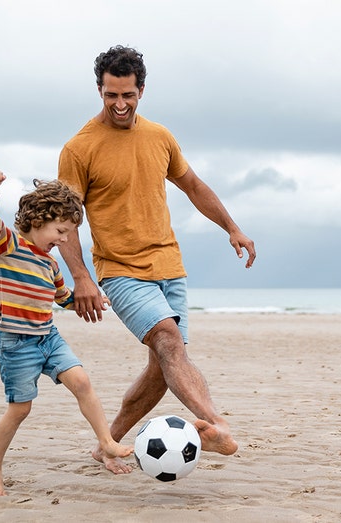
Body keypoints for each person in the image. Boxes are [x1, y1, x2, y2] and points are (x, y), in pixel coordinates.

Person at [57, 45, 256, 474]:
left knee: (162, 366)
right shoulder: (79, 148)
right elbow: (66, 220)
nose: (120, 104)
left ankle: (106, 444)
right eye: (111, 95)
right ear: (99, 90)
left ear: (141, 90)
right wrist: (81, 277)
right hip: (119, 269)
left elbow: (194, 185)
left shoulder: (160, 137)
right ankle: (216, 424)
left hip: (169, 266)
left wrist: (232, 228)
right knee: (169, 340)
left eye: (127, 94)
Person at [0, 171, 134, 496]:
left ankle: (106, 442)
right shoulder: (10, 245)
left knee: (82, 382)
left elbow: (64, 298)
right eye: (61, 231)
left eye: (69, 233)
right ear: (37, 219)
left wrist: (90, 300)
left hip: (49, 337)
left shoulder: (50, 264)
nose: (64, 239)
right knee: (20, 409)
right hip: (17, 343)